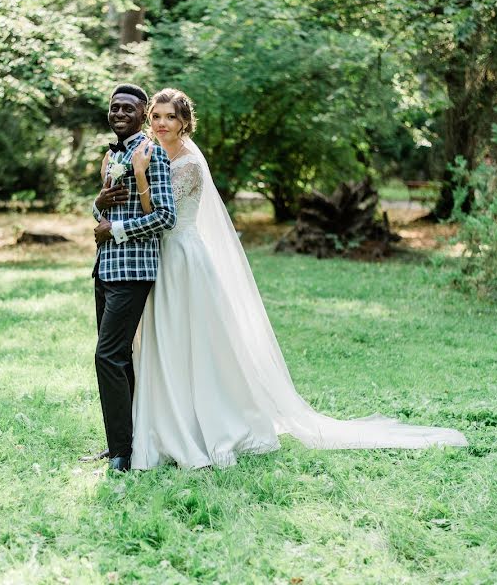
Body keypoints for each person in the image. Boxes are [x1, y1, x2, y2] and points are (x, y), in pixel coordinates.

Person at [109, 88, 467, 469]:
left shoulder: (189, 165)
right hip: (157, 258)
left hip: (182, 258)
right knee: (164, 342)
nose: (162, 124)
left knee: (190, 343)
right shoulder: (152, 152)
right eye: (157, 117)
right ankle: (163, 421)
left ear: (184, 123)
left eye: (170, 118)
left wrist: (142, 177)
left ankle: (200, 425)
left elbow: (161, 214)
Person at [88, 83, 176, 472]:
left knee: (106, 356)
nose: (120, 113)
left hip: (133, 272)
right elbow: (102, 213)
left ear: (143, 115)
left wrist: (117, 231)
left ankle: (122, 453)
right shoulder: (112, 155)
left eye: (129, 108)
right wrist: (97, 205)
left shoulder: (150, 153)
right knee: (119, 359)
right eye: (115, 107)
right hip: (105, 268)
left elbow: (166, 216)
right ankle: (121, 446)